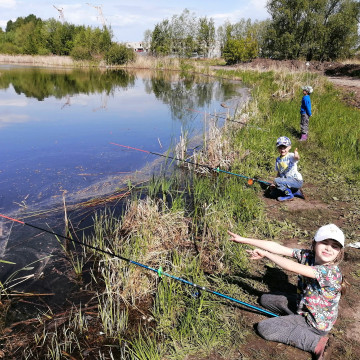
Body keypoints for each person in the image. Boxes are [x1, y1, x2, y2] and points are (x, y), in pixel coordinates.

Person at [228, 224, 346, 360]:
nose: (328, 248)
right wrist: (244, 239)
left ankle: (317, 343)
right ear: (315, 243)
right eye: (324, 242)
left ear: (339, 252)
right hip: (304, 306)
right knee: (265, 299)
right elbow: (278, 248)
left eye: (334, 246)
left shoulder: (330, 272)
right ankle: (294, 319)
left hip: (315, 322)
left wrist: (266, 255)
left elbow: (292, 267)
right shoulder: (309, 256)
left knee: (265, 328)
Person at [272, 136, 304, 201]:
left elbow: (296, 158)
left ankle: (289, 195)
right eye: (280, 148)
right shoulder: (278, 159)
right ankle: (295, 192)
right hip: (287, 181)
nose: (282, 150)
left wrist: (296, 155)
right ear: (278, 148)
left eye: (285, 147)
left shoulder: (291, 156)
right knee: (273, 193)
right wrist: (274, 184)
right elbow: (279, 173)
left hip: (296, 180)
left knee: (277, 181)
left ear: (289, 147)